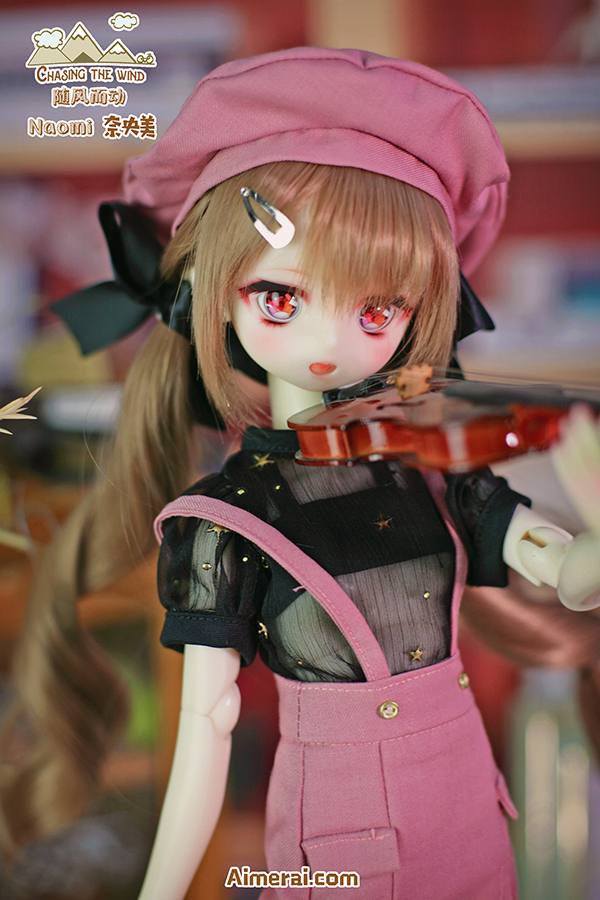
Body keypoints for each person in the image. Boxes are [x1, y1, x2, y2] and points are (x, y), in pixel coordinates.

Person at [2, 47, 599, 899]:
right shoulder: (225, 520)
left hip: (468, 810)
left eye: (377, 309)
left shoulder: (429, 471)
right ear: (212, 286)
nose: (329, 343)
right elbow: (206, 733)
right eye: (281, 297)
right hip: (340, 843)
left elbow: (569, 575)